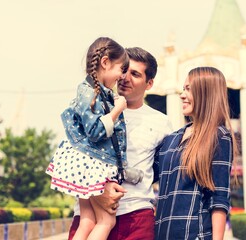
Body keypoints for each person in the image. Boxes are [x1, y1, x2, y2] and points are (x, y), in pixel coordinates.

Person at [68, 47, 173, 240]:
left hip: (136, 217)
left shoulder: (162, 123)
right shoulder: (92, 106)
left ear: (149, 83)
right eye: (124, 70)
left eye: (135, 74)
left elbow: (161, 171)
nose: (125, 78)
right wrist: (97, 191)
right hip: (90, 216)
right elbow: (72, 157)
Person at [46, 37, 130, 240]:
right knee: (106, 221)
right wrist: (117, 110)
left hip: (82, 160)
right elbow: (94, 131)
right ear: (105, 62)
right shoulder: (89, 92)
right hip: (89, 163)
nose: (122, 76)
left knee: (88, 221)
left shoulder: (93, 91)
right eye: (121, 68)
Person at [154, 67, 237, 240]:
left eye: (189, 89)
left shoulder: (219, 136)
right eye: (183, 89)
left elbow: (219, 198)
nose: (182, 95)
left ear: (206, 93)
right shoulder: (171, 139)